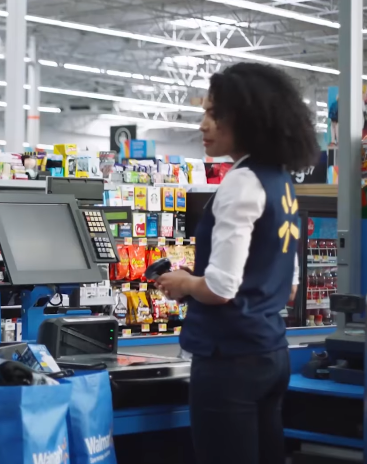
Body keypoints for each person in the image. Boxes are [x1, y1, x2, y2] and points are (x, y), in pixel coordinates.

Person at [156, 62, 317, 464]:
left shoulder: (240, 183)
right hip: (271, 353)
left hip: (229, 363)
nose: (203, 124)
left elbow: (220, 288)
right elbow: (289, 284)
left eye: (214, 113)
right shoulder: (281, 181)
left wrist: (184, 283)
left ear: (247, 118)